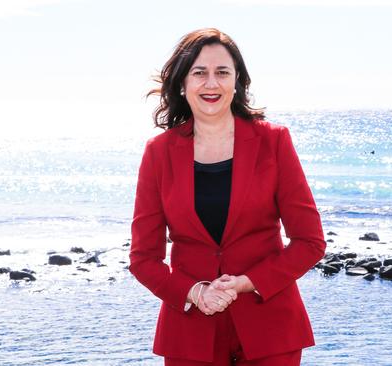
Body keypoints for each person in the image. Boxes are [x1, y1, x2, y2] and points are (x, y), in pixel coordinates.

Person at [129, 28, 326, 366]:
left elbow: (310, 242)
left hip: (271, 330)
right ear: (181, 83)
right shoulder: (158, 153)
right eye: (199, 73)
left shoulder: (274, 141)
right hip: (190, 334)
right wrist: (195, 292)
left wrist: (247, 283)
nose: (211, 83)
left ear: (237, 82)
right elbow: (143, 259)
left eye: (222, 72)